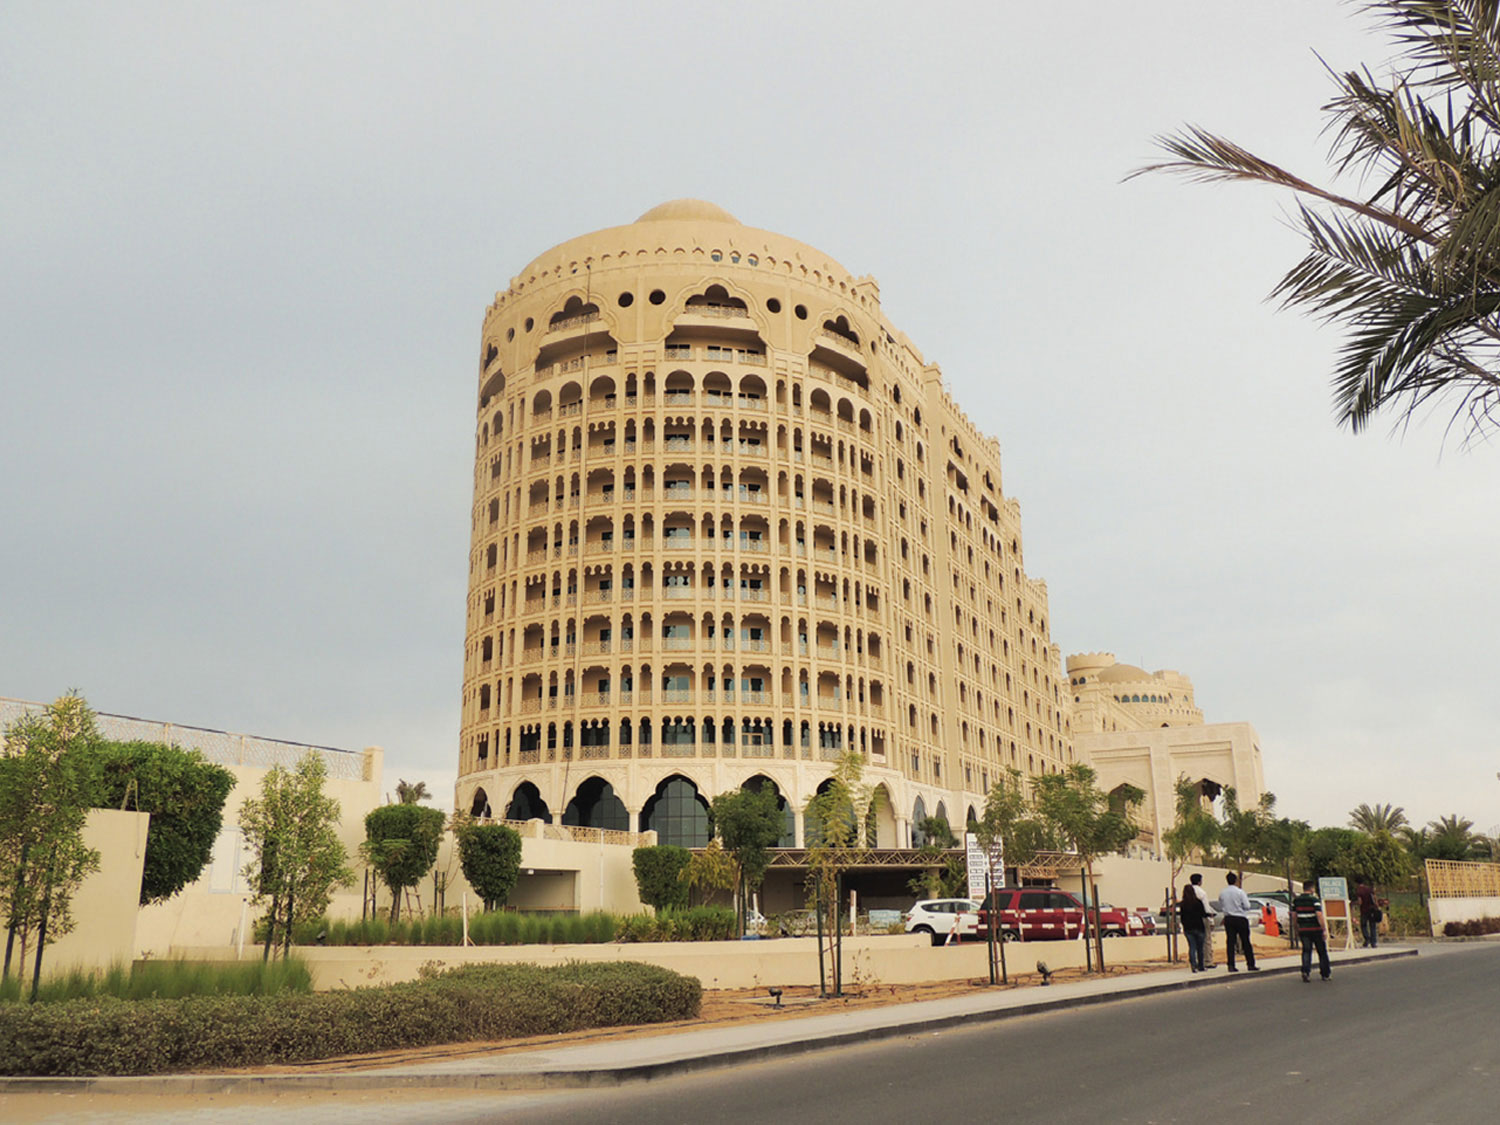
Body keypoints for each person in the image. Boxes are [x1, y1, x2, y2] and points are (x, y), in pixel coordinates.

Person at [1216, 873, 1260, 972]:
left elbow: (1221, 904)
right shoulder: (1240, 892)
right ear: (1236, 880)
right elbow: (1247, 906)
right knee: (1245, 941)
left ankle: (1231, 965)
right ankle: (1250, 964)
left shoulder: (1222, 893)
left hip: (1229, 918)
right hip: (1240, 917)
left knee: (1230, 942)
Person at [1292, 879, 1332, 982]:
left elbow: (1294, 916)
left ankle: (1305, 971)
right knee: (1322, 952)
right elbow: (1319, 915)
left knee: (1306, 950)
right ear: (1312, 888)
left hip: (1304, 929)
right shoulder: (1314, 900)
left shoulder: (1297, 900)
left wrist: (1296, 928)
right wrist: (1324, 929)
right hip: (1315, 929)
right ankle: (1325, 973)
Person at [1179, 879, 1208, 972]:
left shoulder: (1183, 904)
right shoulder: (1198, 902)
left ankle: (1193, 965)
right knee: (1200, 948)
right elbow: (1203, 914)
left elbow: (1182, 917)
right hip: (1199, 926)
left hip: (1188, 928)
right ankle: (1201, 966)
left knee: (1192, 947)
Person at [1356, 879, 1387, 949]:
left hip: (1364, 910)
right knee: (1372, 926)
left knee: (1363, 925)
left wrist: (1355, 903)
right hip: (1372, 909)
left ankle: (1367, 939)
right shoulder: (1369, 889)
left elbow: (1360, 902)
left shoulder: (1359, 890)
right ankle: (1373, 942)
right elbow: (1375, 898)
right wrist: (1377, 906)